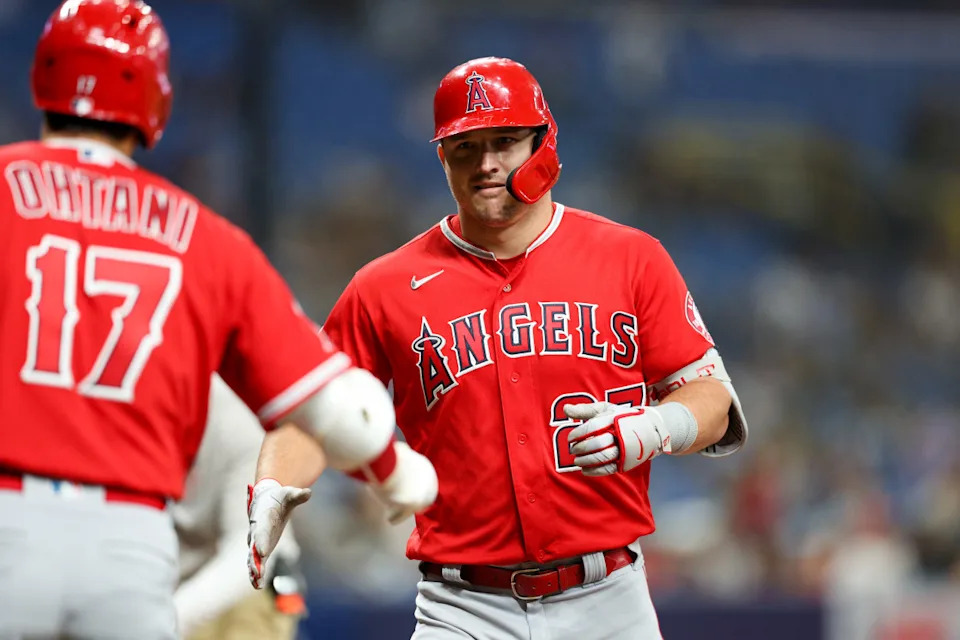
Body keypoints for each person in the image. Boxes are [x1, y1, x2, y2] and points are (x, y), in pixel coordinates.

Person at [251, 56, 748, 639]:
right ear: (443, 158)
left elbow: (713, 401)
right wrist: (271, 485)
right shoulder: (383, 287)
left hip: (609, 600)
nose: (485, 163)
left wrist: (654, 427)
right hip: (461, 608)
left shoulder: (631, 258)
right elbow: (313, 411)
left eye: (505, 142)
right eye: (465, 147)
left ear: (543, 143)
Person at [0, 2, 436, 639]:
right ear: (155, 99)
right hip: (130, 549)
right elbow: (336, 407)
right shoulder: (205, 238)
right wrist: (396, 472)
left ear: (42, 76)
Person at [173, 376, 309, 640]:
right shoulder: (111, 408)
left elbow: (248, 552)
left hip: (245, 584)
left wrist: (169, 618)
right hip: (159, 580)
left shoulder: (239, 416)